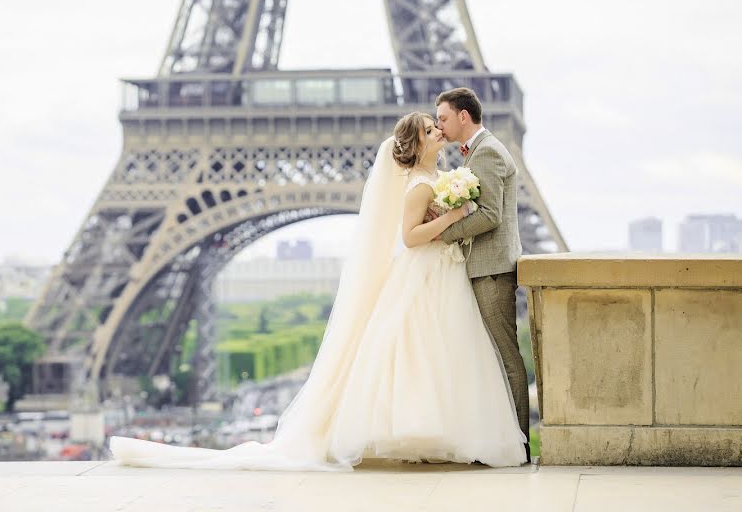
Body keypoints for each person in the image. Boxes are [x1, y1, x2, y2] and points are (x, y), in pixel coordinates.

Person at [110, 111, 527, 471]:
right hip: (427, 269)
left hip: (439, 272)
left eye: (439, 125)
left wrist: (452, 217)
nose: (438, 130)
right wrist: (452, 217)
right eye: (430, 129)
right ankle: (429, 432)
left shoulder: (438, 176)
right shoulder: (421, 183)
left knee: (439, 352)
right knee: (427, 352)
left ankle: (439, 432)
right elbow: (411, 236)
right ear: (417, 141)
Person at [433, 87, 531, 462]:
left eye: (442, 118)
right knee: (493, 357)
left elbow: (489, 215)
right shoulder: (479, 150)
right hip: (485, 268)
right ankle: (507, 441)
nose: (439, 125)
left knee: (505, 357)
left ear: (462, 116)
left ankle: (519, 446)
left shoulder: (487, 151)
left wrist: (443, 233)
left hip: (491, 271)